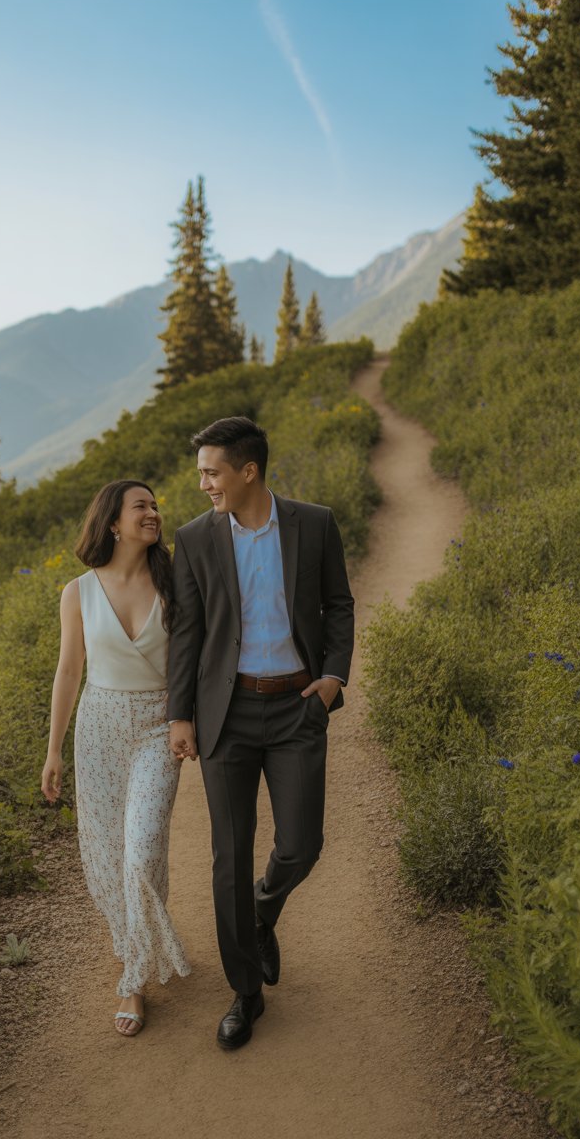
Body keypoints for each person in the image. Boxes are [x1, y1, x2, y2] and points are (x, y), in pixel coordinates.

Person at [167, 416, 354, 1050]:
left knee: (302, 845)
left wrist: (332, 678)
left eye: (211, 472)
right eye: (200, 473)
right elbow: (187, 632)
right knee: (229, 854)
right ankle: (246, 993)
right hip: (228, 715)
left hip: (299, 707)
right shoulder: (193, 540)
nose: (203, 485)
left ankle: (262, 909)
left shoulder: (315, 522)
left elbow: (339, 604)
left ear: (249, 471)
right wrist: (180, 714)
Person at [41, 479, 190, 1036]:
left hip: (158, 728)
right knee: (106, 854)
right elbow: (69, 671)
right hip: (98, 728)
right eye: (141, 507)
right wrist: (54, 750)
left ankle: (132, 977)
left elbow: (192, 658)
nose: (153, 513)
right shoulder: (77, 592)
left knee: (141, 850)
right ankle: (135, 955)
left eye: (154, 506)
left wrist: (186, 717)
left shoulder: (176, 580)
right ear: (112, 522)